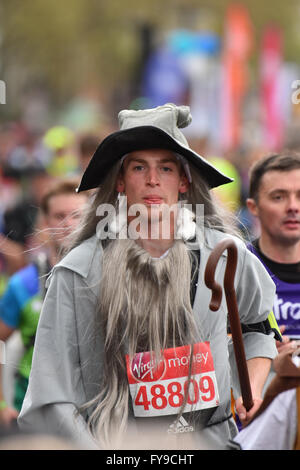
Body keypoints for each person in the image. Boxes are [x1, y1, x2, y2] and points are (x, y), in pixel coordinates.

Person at [18, 104, 277, 450]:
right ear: (121, 181)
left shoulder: (224, 255)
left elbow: (258, 326)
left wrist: (252, 387)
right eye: (139, 167)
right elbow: (51, 395)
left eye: (166, 168)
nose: (153, 180)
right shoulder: (79, 271)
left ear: (184, 180)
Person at [0, 179, 88, 425]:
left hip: (91, 412)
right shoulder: (23, 284)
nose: (68, 224)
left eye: (77, 216)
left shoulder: (108, 276)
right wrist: (1, 404)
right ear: (45, 223)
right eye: (59, 216)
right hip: (35, 412)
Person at [246, 153, 300, 351]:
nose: (293, 207)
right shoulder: (233, 268)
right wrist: (260, 354)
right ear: (253, 207)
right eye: (278, 197)